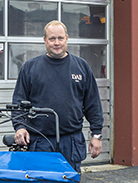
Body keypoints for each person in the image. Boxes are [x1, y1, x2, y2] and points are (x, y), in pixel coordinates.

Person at [12, 20, 103, 173]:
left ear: (67, 38)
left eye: (60, 38)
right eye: (52, 39)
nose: (56, 43)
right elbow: (18, 103)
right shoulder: (30, 68)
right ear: (44, 40)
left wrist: (97, 135)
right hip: (40, 141)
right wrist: (20, 127)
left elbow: (93, 104)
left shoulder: (81, 67)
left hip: (71, 142)